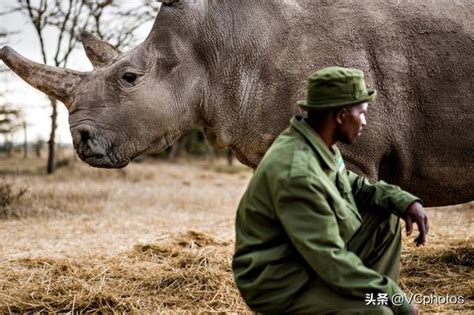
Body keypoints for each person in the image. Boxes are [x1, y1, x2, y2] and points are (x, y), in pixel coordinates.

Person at [232, 66, 429, 315]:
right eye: (361, 113)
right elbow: (328, 258)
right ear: (341, 116)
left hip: (302, 258)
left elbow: (352, 185)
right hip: (278, 281)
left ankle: (368, 299)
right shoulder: (297, 172)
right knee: (376, 313)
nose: (365, 122)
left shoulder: (317, 144)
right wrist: (393, 296)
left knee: (384, 217)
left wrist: (403, 200)